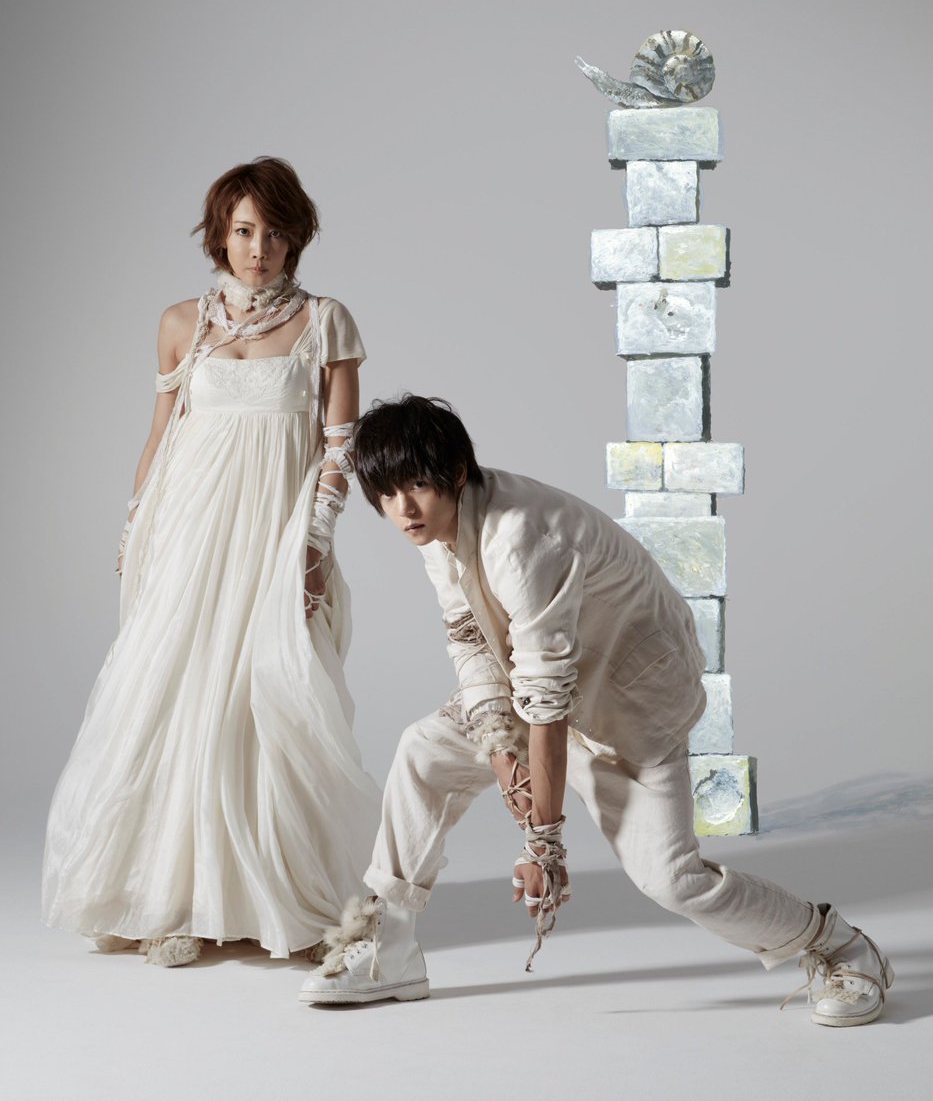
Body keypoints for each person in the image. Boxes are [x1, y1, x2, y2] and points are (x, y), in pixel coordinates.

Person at [299, 394, 893, 1027]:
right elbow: (470, 638)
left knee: (672, 880)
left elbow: (547, 698)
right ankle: (388, 950)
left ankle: (841, 946)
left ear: (457, 471)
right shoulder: (439, 530)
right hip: (543, 692)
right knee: (425, 748)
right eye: (388, 494)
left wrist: (543, 843)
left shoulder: (521, 537)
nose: (404, 509)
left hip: (626, 708)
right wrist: (500, 752)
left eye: (417, 485)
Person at [42, 157, 380, 966]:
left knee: (266, 700)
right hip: (189, 533)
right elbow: (161, 436)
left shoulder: (326, 321)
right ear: (219, 236)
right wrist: (136, 529)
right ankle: (172, 899)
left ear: (296, 238)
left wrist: (314, 546)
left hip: (275, 535)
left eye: (274, 233)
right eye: (243, 231)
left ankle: (270, 897)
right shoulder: (180, 322)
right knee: (175, 696)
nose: (258, 249)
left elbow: (339, 450)